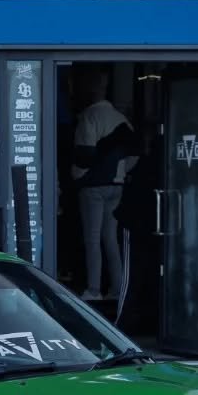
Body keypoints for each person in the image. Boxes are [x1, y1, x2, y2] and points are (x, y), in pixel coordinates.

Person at [72, 73, 138, 303]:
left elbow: (84, 156)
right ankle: (118, 289)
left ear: (90, 90)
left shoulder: (89, 117)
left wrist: (78, 175)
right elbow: (135, 155)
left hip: (92, 186)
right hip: (116, 186)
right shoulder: (122, 119)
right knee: (110, 238)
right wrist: (121, 171)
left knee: (92, 239)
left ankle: (93, 289)